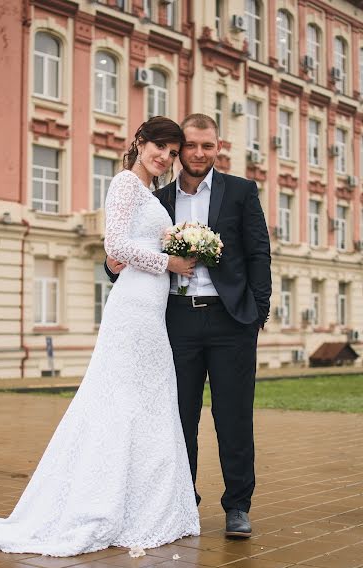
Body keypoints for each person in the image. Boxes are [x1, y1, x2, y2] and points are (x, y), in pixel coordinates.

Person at [0, 116, 200, 556]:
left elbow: (139, 242)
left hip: (152, 306)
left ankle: (145, 503)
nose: (165, 158)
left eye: (171, 153)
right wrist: (169, 262)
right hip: (133, 305)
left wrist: (185, 243)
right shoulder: (126, 185)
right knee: (121, 399)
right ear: (140, 142)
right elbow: (116, 247)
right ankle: (104, 501)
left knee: (147, 399)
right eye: (160, 148)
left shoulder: (146, 192)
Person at [107, 113, 272, 538]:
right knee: (177, 417)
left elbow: (259, 253)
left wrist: (257, 313)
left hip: (231, 321)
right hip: (175, 320)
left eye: (207, 146)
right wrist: (111, 268)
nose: (198, 154)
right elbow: (126, 248)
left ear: (219, 148)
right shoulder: (157, 198)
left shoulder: (240, 192)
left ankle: (238, 506)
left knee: (233, 417)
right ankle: (185, 501)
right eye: (190, 147)